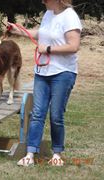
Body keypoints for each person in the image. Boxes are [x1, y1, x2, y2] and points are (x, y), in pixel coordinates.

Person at [8, 0, 82, 166]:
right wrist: (20, 31)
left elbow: (74, 45)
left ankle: (57, 154)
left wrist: (47, 49)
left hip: (63, 73)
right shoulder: (48, 14)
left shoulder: (70, 17)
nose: (42, 1)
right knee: (37, 114)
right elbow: (42, 33)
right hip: (42, 72)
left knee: (56, 115)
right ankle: (30, 154)